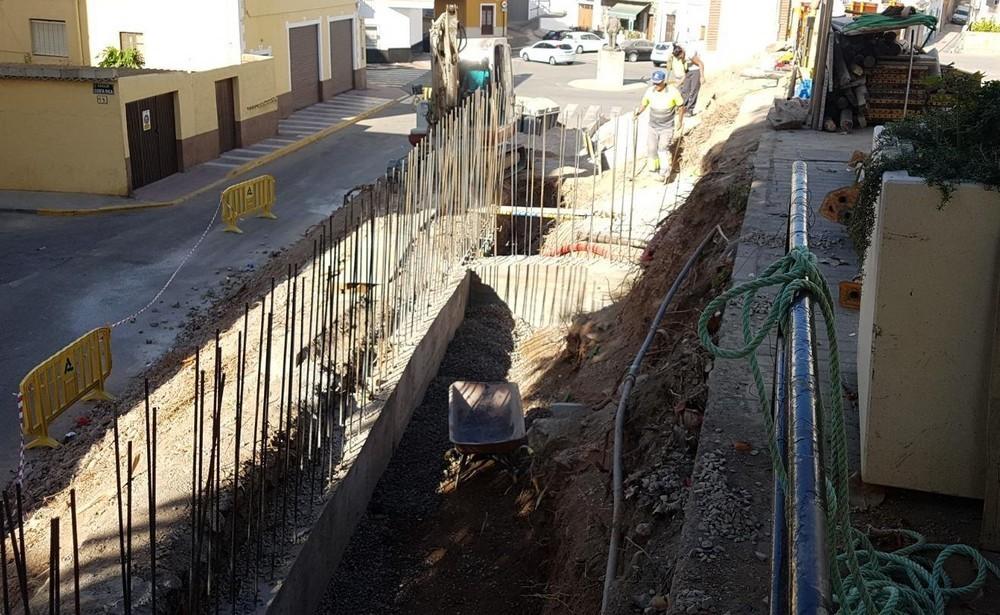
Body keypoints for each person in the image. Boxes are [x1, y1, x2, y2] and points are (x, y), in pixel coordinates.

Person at [634, 70, 685, 180]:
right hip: (653, 126)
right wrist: (638, 113)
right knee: (652, 148)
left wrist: (680, 121)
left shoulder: (673, 92)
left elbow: (681, 107)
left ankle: (664, 172)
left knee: (662, 148)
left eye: (658, 83)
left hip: (666, 127)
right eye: (654, 83)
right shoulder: (650, 91)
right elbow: (644, 104)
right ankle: (654, 169)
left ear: (663, 81)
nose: (656, 85)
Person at [670, 42, 705, 114]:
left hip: (696, 70)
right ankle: (682, 108)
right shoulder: (680, 52)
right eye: (678, 58)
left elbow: (700, 64)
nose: (679, 59)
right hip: (689, 70)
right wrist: (679, 83)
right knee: (685, 90)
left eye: (680, 57)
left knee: (693, 91)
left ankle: (689, 110)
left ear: (682, 52)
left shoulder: (690, 54)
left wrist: (702, 77)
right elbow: (685, 71)